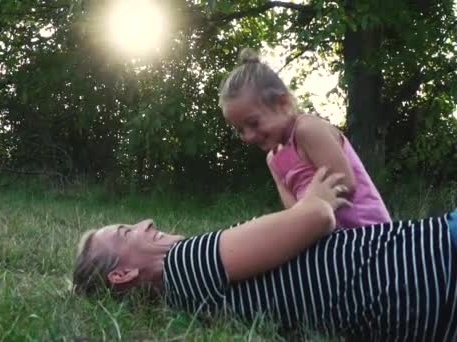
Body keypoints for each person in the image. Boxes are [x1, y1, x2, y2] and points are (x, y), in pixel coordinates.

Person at [72, 169, 457, 341]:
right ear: (121, 274)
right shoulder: (185, 261)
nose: (145, 221)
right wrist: (316, 193)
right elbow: (316, 217)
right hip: (436, 257)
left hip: (426, 315)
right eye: (127, 232)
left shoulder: (187, 307)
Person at [218, 47, 391, 229]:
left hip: (368, 233)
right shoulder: (273, 159)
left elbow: (345, 183)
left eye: (253, 123)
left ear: (283, 104)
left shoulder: (307, 129)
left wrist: (311, 206)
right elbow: (295, 213)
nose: (248, 136)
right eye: (239, 130)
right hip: (328, 241)